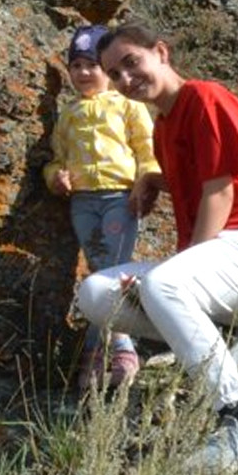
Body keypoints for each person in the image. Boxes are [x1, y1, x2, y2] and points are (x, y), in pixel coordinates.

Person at [73, 24, 238, 471]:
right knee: (96, 294)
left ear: (161, 52)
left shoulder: (204, 97)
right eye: (114, 74)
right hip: (226, 265)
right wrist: (153, 179)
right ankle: (224, 336)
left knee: (163, 283)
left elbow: (222, 193)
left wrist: (175, 274)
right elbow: (200, 177)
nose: (125, 79)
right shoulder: (164, 127)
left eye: (132, 63)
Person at [43, 24, 158, 390]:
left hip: (119, 197)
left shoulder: (127, 105)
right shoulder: (69, 113)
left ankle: (112, 350)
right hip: (82, 201)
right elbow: (56, 158)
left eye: (91, 65)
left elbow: (147, 148)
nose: (83, 73)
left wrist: (145, 183)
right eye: (75, 66)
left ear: (106, 71)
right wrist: (55, 177)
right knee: (99, 272)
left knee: (112, 272)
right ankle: (113, 348)